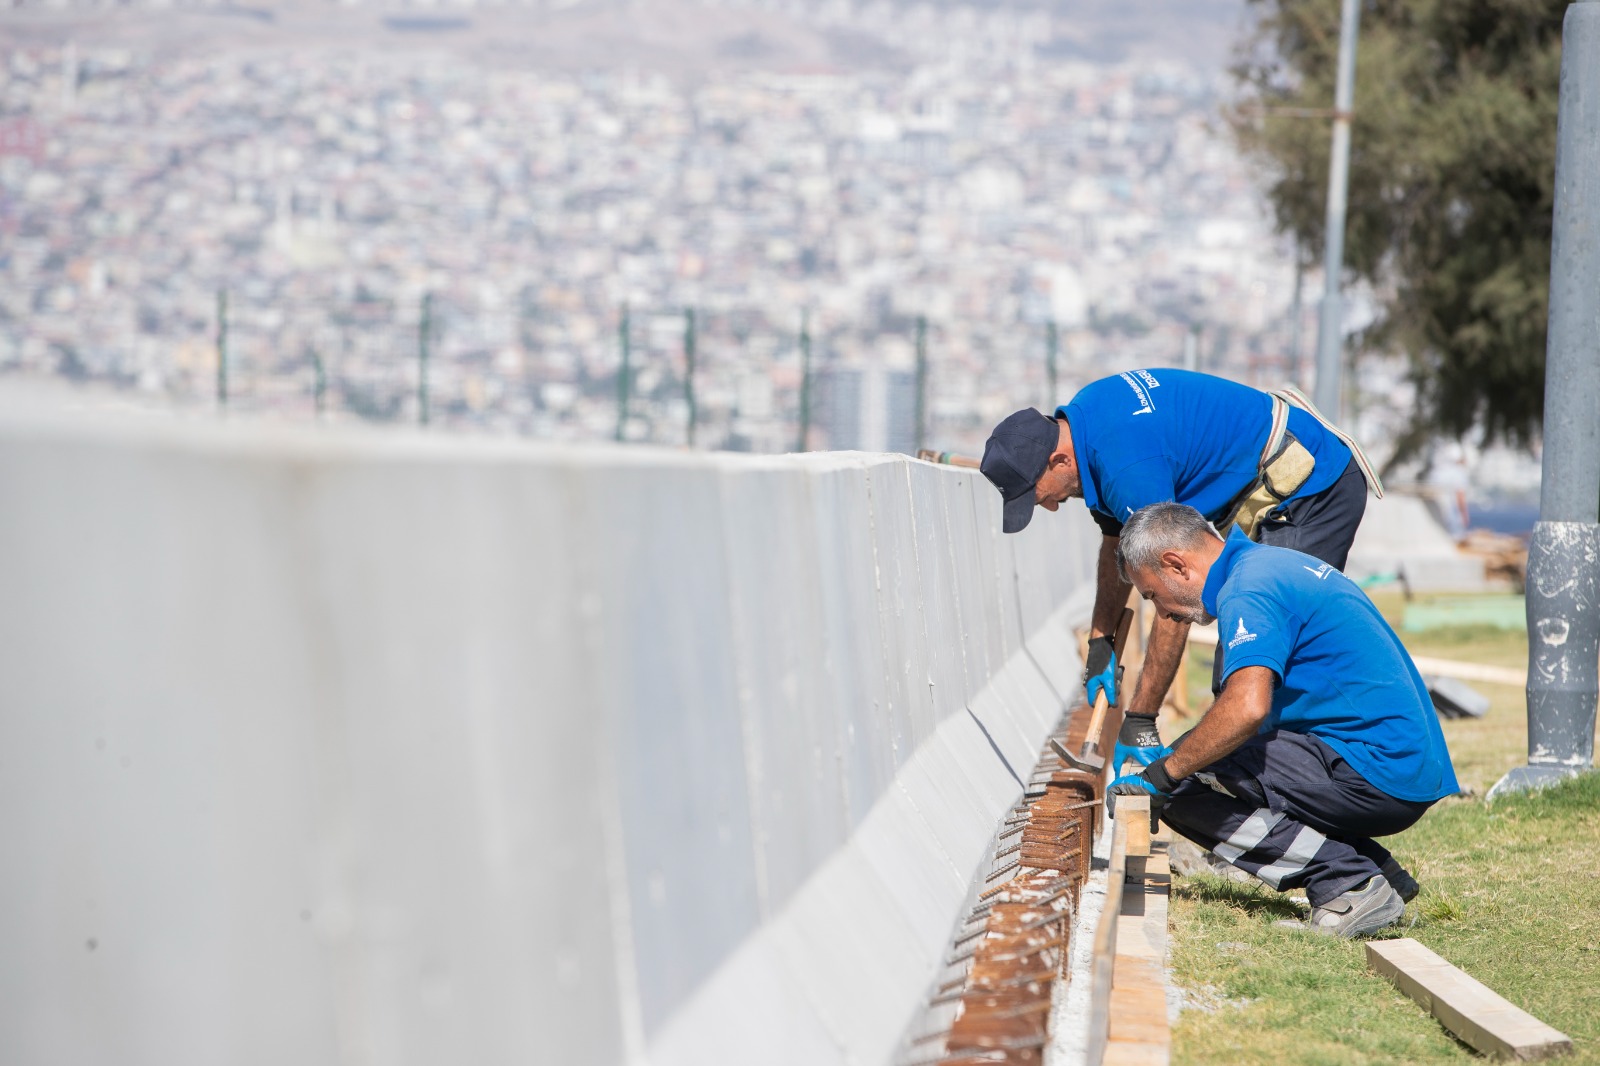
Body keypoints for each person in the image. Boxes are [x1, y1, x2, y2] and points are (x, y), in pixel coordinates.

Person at [978, 369, 1381, 773]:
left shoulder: (1127, 469)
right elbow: (1118, 541)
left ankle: (1326, 779)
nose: (1049, 506)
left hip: (1313, 488)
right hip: (1272, 489)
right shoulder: (1087, 424)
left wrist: (1141, 718)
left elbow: (1176, 594)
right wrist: (1101, 638)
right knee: (1243, 669)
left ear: (1059, 460)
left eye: (1038, 496)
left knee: (1253, 663)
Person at [1106, 502, 1458, 937]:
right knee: (1193, 762)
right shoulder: (1264, 565)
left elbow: (1246, 708)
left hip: (1380, 771)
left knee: (1180, 785)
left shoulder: (1246, 590)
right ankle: (1377, 871)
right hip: (1397, 764)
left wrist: (1164, 774)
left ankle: (1348, 884)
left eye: (1152, 595)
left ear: (1175, 564)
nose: (1164, 613)